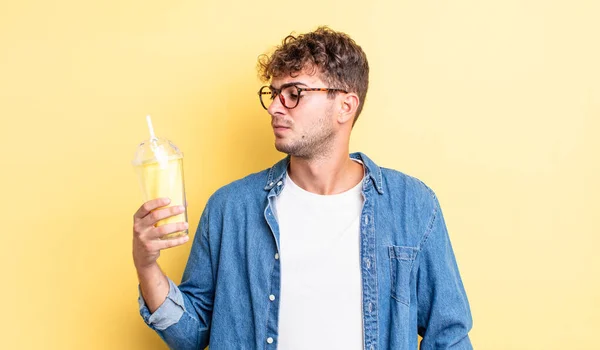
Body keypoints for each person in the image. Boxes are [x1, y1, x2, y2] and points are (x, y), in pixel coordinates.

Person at [133, 26, 473, 350]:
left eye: (294, 94)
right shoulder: (230, 208)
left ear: (345, 106)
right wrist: (147, 265)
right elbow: (189, 336)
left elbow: (449, 336)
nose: (276, 107)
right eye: (274, 93)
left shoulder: (411, 205)